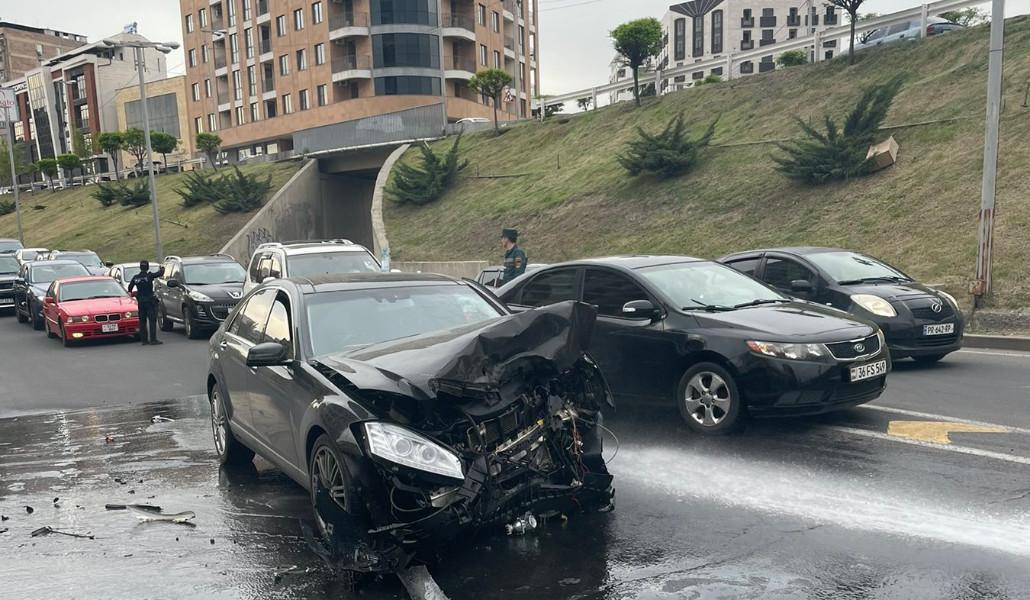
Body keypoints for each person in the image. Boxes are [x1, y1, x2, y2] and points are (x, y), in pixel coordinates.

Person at [128, 260, 166, 346]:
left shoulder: (135, 277)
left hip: (141, 302)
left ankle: (144, 340)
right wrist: (162, 267)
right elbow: (160, 273)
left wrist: (136, 294)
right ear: (147, 267)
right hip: (150, 302)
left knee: (142, 321)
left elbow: (130, 289)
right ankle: (153, 340)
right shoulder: (149, 276)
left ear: (140, 267)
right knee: (152, 321)